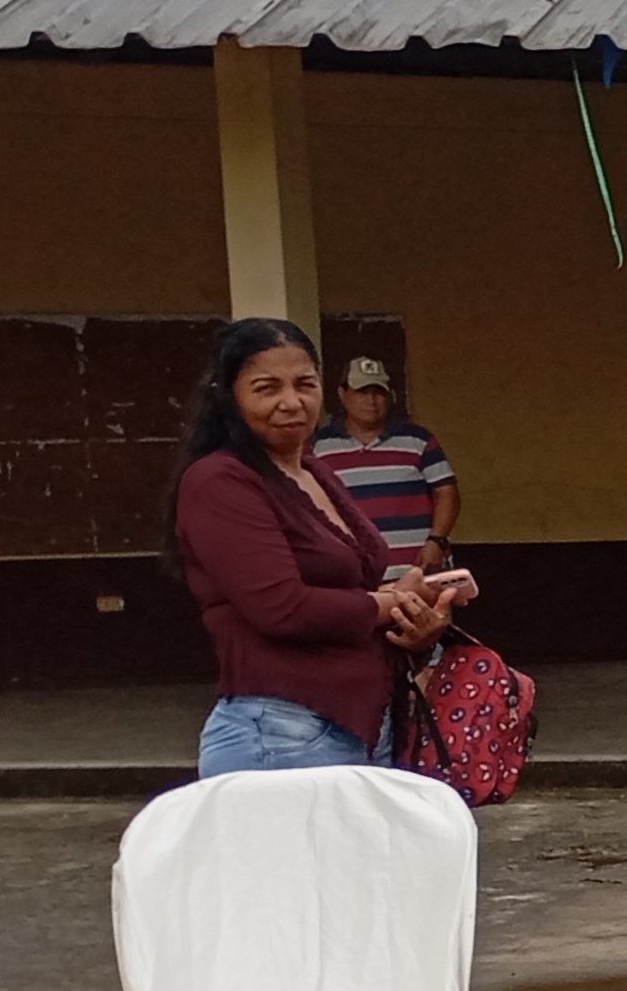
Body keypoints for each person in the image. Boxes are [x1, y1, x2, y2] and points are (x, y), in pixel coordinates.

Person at [172, 318, 467, 776]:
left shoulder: (313, 471)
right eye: (267, 388)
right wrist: (391, 603)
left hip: (365, 722)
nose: (292, 402)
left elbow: (354, 595)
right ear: (227, 396)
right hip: (282, 732)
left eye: (305, 384)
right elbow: (283, 607)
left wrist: (414, 620)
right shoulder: (219, 481)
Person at [311, 356, 459, 573]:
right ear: (343, 394)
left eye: (378, 392)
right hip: (354, 575)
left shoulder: (419, 440)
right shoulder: (318, 446)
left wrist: (437, 540)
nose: (371, 401)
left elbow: (446, 492)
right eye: (362, 392)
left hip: (418, 570)